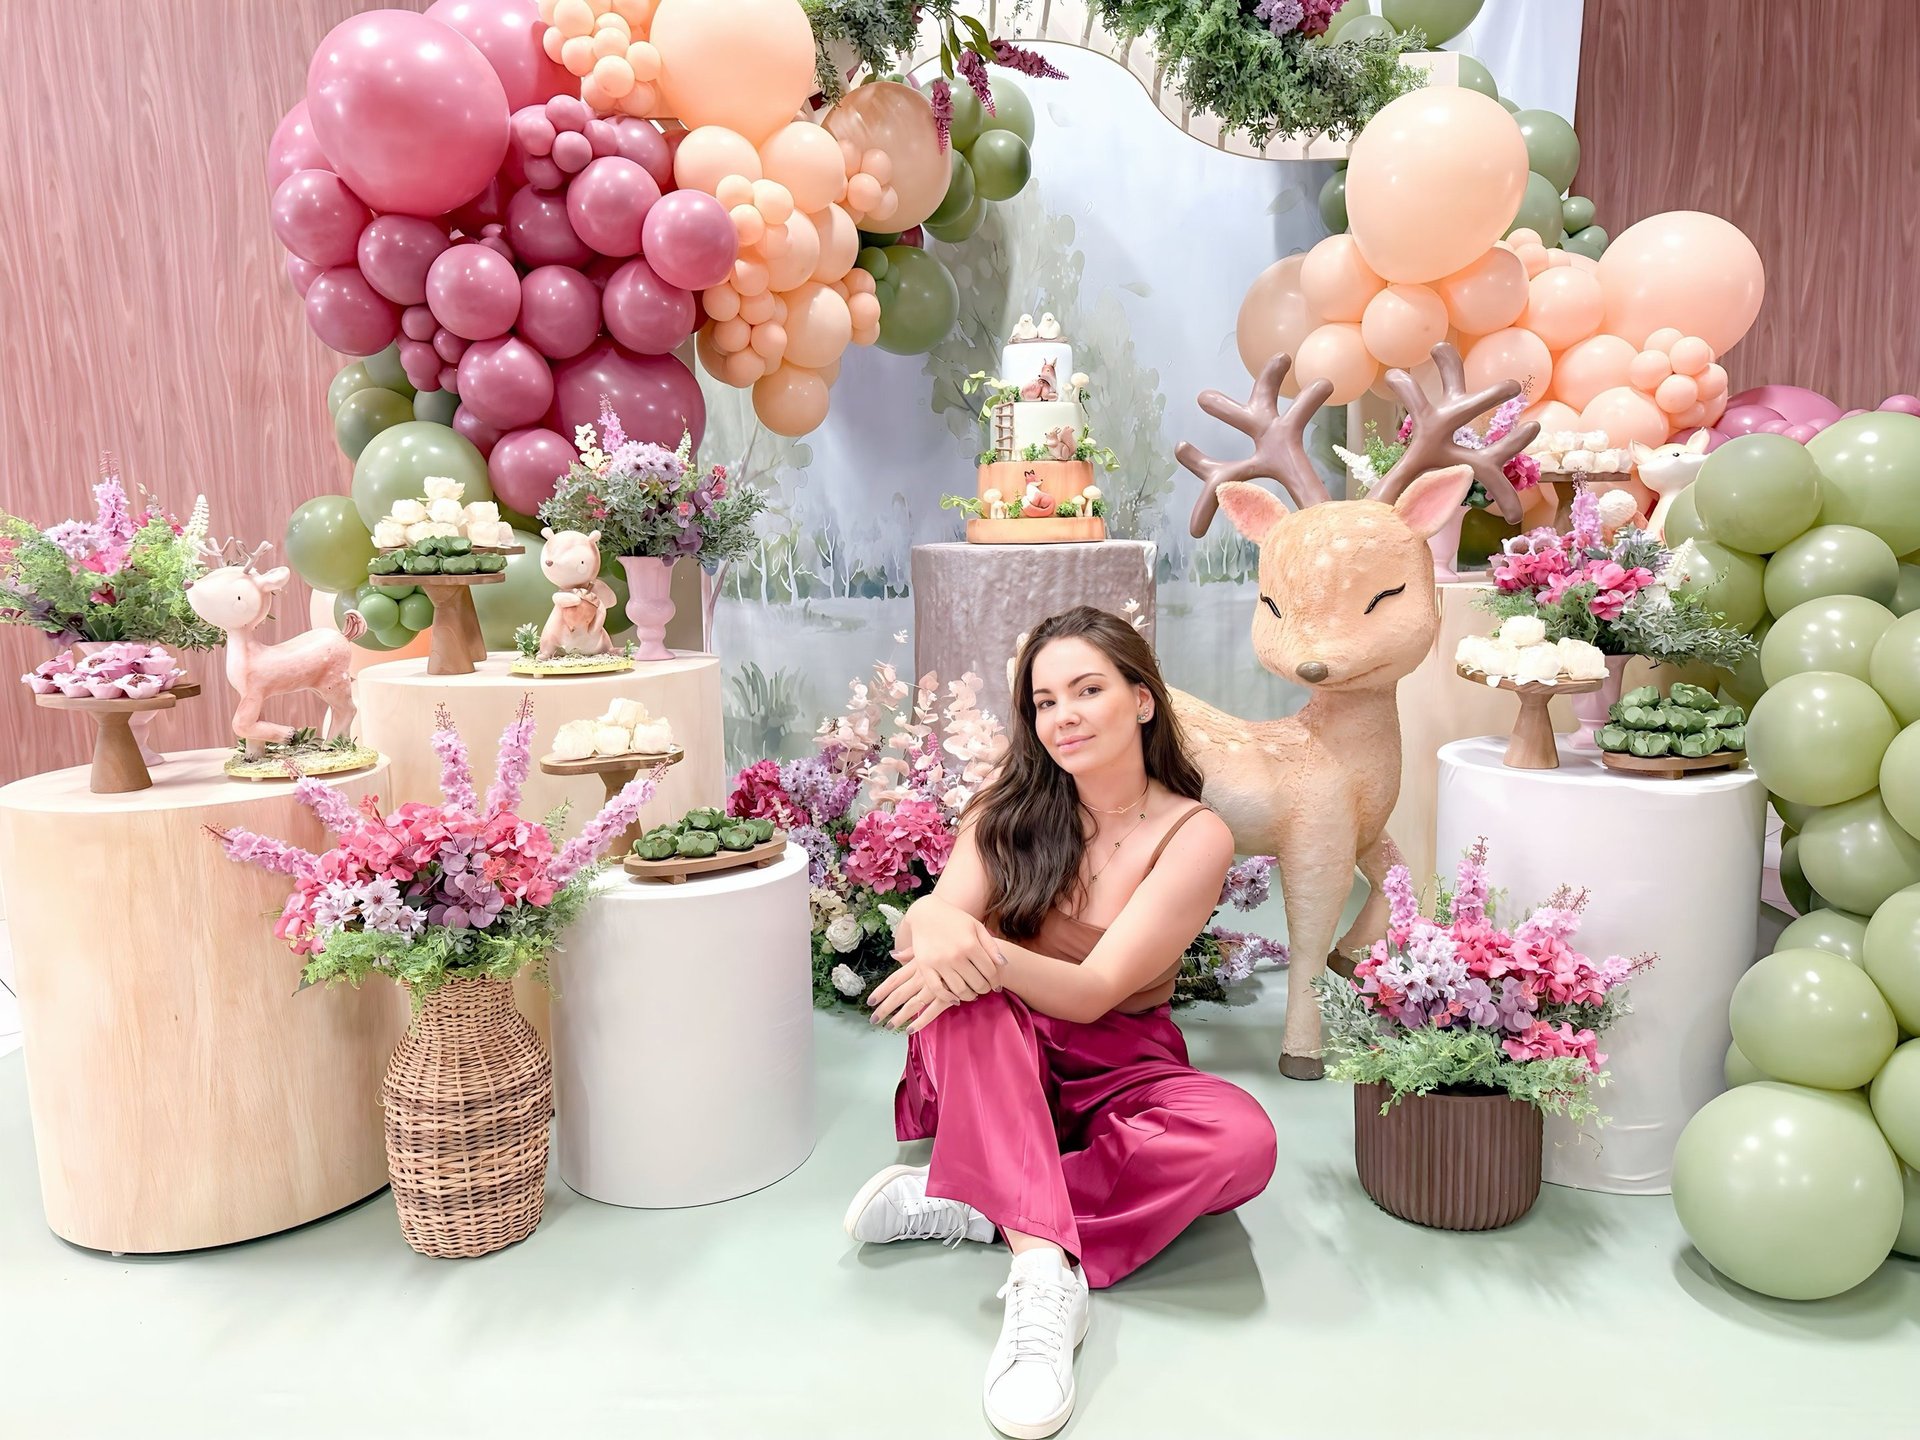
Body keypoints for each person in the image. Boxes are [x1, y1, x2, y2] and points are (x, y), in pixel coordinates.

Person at [843, 605, 1278, 1440]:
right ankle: (1042, 1282)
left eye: (1087, 690)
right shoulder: (1004, 810)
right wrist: (932, 919)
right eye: (1044, 702)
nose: (1063, 716)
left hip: (1121, 1062)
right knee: (967, 995)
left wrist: (971, 943)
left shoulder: (1194, 835)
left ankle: (977, 1200)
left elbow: (1093, 991)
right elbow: (937, 926)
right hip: (992, 1053)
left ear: (1142, 700)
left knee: (1241, 1143)